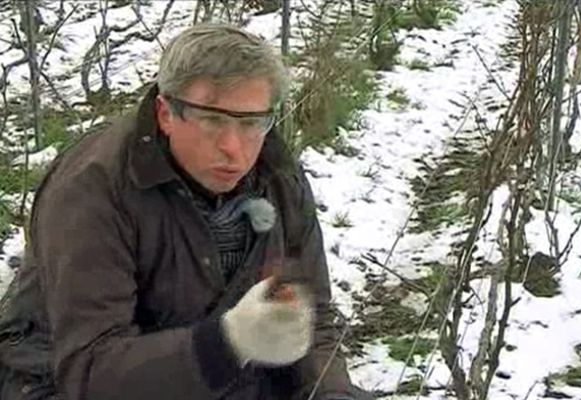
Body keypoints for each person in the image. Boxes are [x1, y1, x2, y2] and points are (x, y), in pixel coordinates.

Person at [0, 24, 374, 400]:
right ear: (165, 113)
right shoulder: (93, 190)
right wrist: (227, 343)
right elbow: (91, 369)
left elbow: (312, 321)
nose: (233, 147)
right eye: (212, 120)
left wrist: (330, 392)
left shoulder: (277, 176)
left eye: (251, 123)